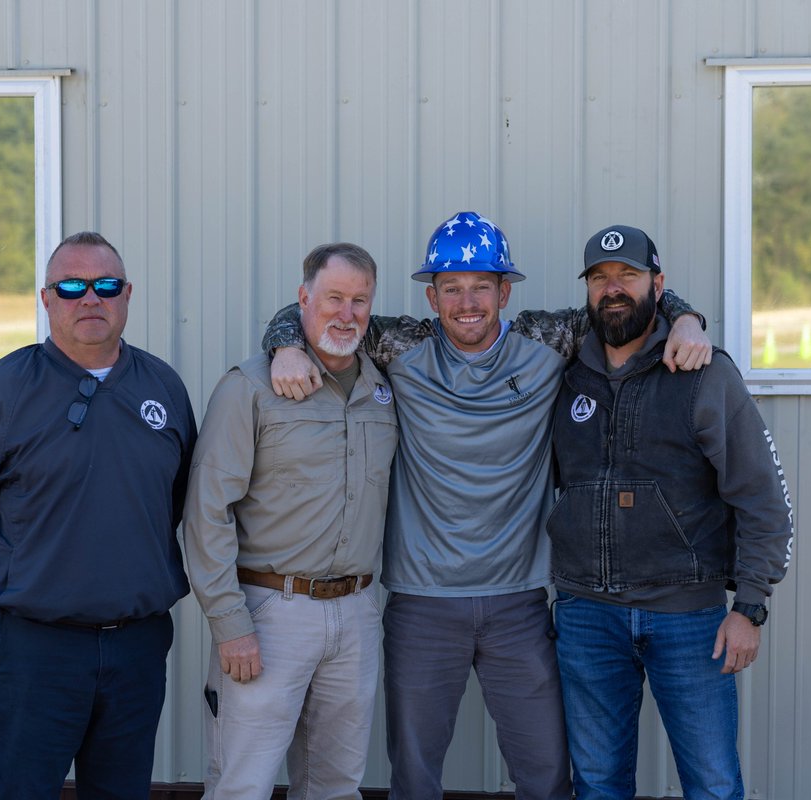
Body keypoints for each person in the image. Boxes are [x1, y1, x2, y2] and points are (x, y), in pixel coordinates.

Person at [261, 212, 712, 800]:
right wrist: (285, 348)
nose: (467, 301)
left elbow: (623, 303)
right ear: (433, 295)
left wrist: (686, 317)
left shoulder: (547, 341)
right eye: (451, 287)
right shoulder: (401, 346)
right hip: (422, 604)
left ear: (505, 290)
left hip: (519, 603)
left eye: (482, 286)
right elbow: (312, 316)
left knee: (547, 774)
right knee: (415, 778)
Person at [0, 231, 198, 798]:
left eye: (106, 285)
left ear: (127, 295)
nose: (90, 299)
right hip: (35, 649)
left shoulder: (163, 388)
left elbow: (175, 500)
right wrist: (11, 578)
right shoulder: (3, 390)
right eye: (71, 286)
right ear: (47, 298)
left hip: (137, 648)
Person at [547, 224, 796, 800]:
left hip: (689, 620)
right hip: (587, 615)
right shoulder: (561, 369)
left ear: (658, 285)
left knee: (710, 783)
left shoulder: (704, 373)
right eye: (600, 278)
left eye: (628, 276)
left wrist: (750, 608)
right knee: (598, 784)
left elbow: (762, 496)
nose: (613, 289)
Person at [182, 243, 399, 799]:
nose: (346, 314)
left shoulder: (384, 389)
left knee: (336, 788)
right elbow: (207, 511)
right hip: (270, 614)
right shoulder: (251, 387)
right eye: (333, 298)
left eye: (359, 301)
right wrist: (230, 625)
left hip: (355, 615)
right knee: (241, 786)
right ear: (302, 299)